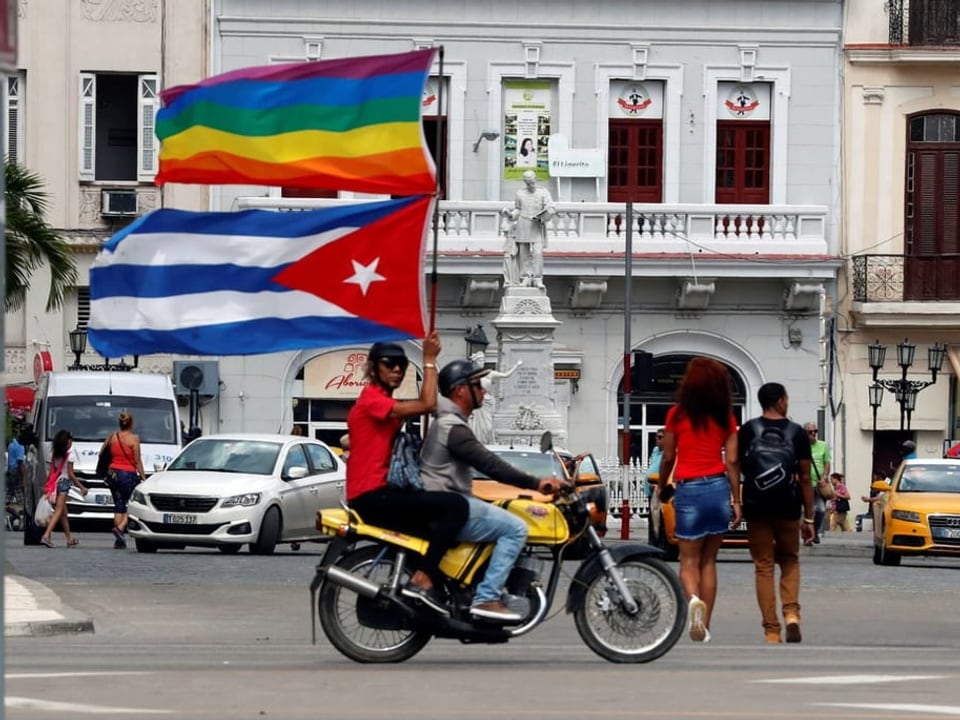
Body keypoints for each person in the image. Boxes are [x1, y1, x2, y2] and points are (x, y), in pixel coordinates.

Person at [420, 359, 560, 622]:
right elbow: (490, 464)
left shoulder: (451, 422)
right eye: (478, 385)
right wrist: (536, 483)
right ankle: (487, 598)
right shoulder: (453, 427)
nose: (484, 391)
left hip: (449, 501)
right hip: (448, 505)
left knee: (501, 515)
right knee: (515, 528)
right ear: (460, 390)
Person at [346, 334, 469, 616]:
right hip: (373, 495)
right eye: (390, 364)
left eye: (402, 365)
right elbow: (426, 404)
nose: (398, 370)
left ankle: (436, 590)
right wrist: (428, 360)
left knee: (432, 532)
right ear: (374, 368)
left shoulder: (379, 402)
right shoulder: (373, 401)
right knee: (456, 506)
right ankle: (423, 579)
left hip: (378, 491)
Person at [658, 357, 741, 644]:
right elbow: (731, 460)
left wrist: (661, 484)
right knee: (709, 561)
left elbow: (668, 456)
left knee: (688, 560)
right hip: (718, 488)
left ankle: (693, 600)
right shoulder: (725, 417)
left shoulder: (676, 416)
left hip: (689, 488)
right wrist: (737, 501)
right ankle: (704, 626)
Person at [738, 382, 814, 644]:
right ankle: (791, 614)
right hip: (787, 506)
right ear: (781, 401)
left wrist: (737, 502)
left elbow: (737, 467)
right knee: (790, 560)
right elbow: (805, 478)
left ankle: (771, 630)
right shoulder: (797, 433)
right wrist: (809, 517)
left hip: (757, 506)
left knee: (763, 566)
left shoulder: (748, 431)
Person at [501, 170, 555, 287]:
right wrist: (509, 214)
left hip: (536, 225)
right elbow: (517, 210)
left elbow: (551, 207)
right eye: (528, 183)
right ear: (525, 182)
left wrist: (545, 214)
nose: (531, 184)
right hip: (523, 224)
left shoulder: (543, 192)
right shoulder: (520, 193)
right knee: (524, 254)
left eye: (532, 182)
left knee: (538, 253)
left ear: (535, 179)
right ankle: (525, 277)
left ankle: (537, 278)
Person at [102, 411, 146, 549]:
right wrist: (144, 477)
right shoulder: (134, 439)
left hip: (112, 473)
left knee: (118, 505)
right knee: (132, 505)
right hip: (128, 474)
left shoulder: (112, 437)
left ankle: (119, 539)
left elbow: (101, 453)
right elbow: (137, 461)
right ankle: (120, 528)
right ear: (131, 423)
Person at [40, 430, 88, 548]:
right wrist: (81, 487)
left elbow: (51, 471)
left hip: (55, 483)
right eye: (70, 440)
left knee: (63, 514)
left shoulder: (54, 454)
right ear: (67, 442)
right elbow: (71, 474)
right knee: (59, 511)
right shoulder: (70, 455)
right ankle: (46, 535)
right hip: (64, 483)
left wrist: (47, 486)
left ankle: (69, 539)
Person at [466, 350, 522, 445]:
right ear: (475, 362)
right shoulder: (471, 375)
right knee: (475, 427)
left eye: (483, 360)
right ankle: (478, 445)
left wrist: (516, 366)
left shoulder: (489, 373)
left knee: (488, 427)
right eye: (480, 360)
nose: (482, 362)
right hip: (476, 403)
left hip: (487, 402)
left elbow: (506, 375)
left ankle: (487, 444)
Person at [803, 422, 831, 545]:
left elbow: (827, 463)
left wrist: (824, 477)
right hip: (805, 484)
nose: (813, 434)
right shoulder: (801, 446)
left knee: (820, 510)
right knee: (806, 511)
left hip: (819, 485)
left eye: (815, 431)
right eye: (810, 432)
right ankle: (807, 536)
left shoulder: (823, 445)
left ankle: (814, 530)